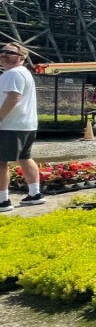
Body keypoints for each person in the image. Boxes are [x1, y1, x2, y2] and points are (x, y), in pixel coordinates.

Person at [0, 43, 44, 212]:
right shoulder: (21, 73)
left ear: (22, 57)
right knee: (25, 157)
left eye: (10, 52)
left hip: (10, 125)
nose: (4, 54)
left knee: (1, 163)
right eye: (2, 51)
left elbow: (13, 98)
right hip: (25, 124)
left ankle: (3, 201)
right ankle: (35, 194)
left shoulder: (13, 73)